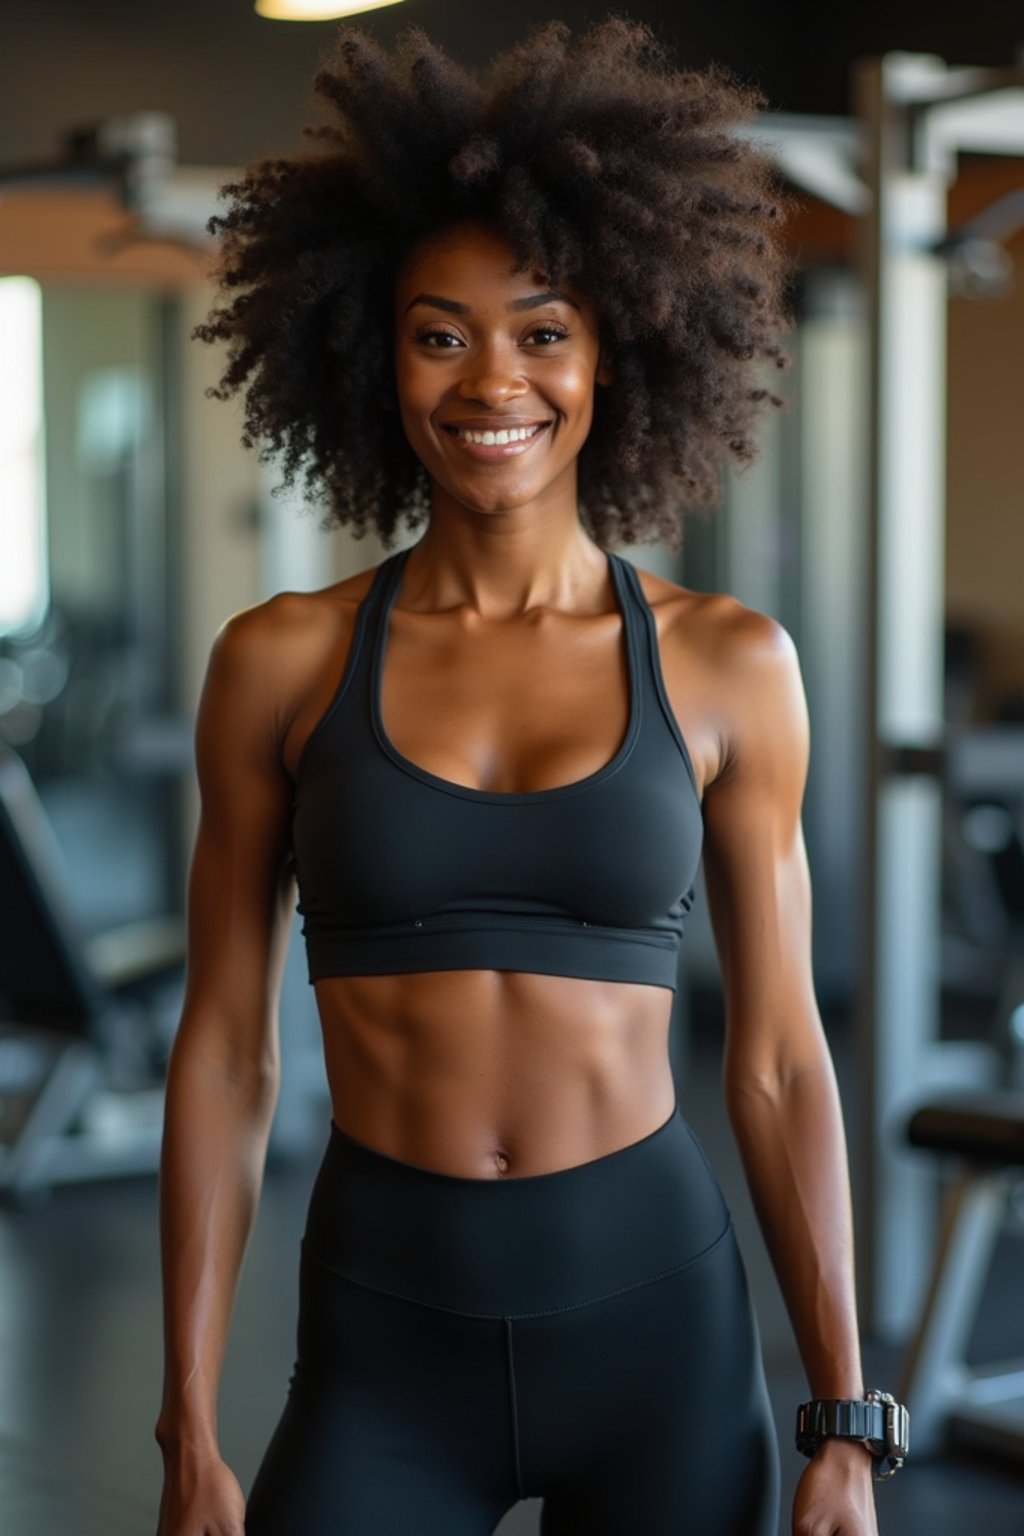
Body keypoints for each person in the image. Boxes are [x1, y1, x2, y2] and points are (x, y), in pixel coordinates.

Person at [155, 18, 890, 1536]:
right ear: (374, 352)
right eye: (441, 333)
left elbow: (777, 1058)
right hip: (380, 1344)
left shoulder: (728, 662)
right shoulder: (280, 662)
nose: (495, 379)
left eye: (544, 329)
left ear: (619, 344)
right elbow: (226, 1052)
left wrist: (844, 1419)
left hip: (661, 1345)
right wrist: (186, 1421)